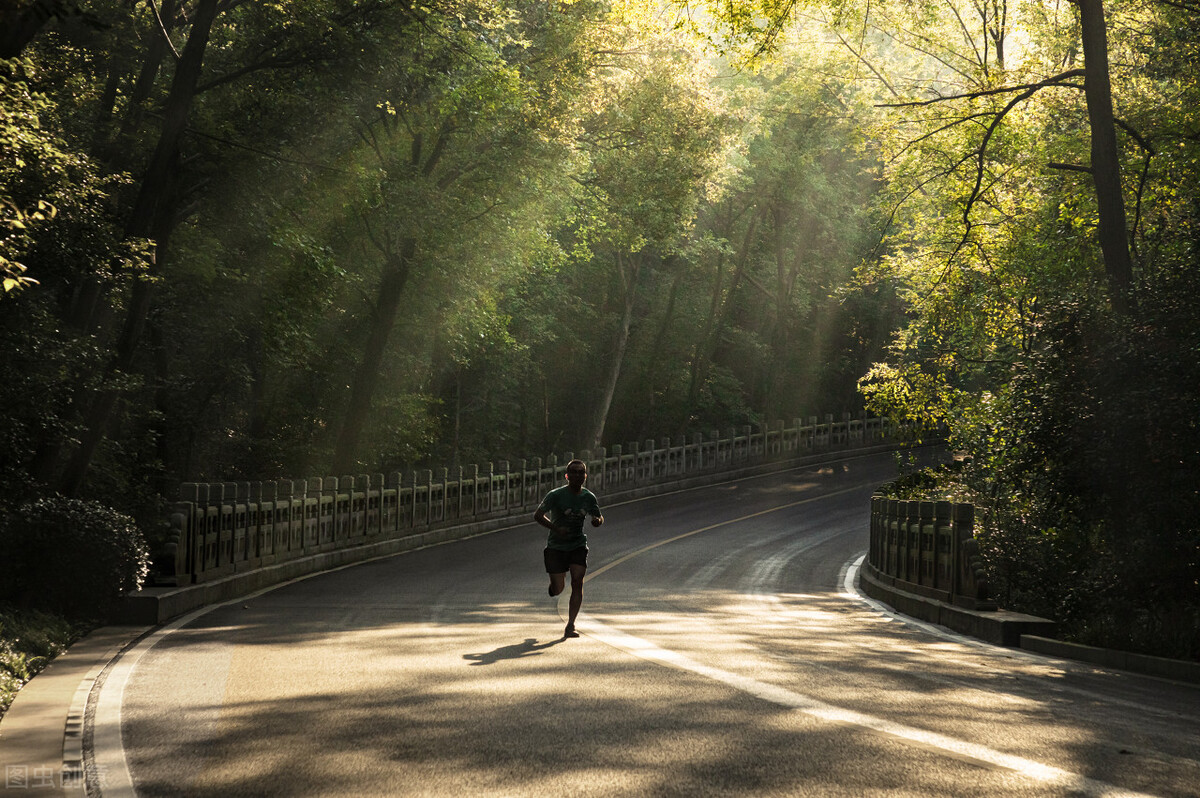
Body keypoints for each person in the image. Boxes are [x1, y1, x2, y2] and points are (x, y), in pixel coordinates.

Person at [534, 459, 603, 638]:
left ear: (585, 476)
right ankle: (554, 587)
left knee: (577, 581)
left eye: (581, 472)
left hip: (578, 545)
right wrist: (556, 529)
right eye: (574, 472)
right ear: (567, 476)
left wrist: (597, 521)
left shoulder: (589, 497)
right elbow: (538, 515)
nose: (578, 475)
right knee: (559, 588)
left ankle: (571, 624)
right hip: (556, 546)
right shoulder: (555, 495)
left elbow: (599, 516)